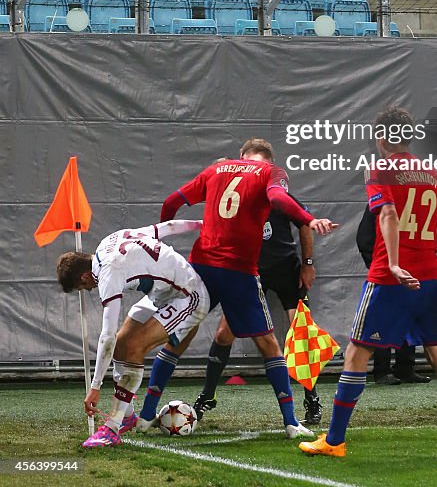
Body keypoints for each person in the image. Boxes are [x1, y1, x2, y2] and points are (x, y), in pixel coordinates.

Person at [300, 104, 437, 460]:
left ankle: (334, 440)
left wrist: (396, 263)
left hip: (390, 279)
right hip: (431, 278)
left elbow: (389, 213)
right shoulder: (431, 172)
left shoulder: (379, 168)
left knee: (356, 353)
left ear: (382, 137)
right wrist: (424, 240)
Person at [146, 138, 336, 439]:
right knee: (263, 342)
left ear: (242, 155)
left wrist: (160, 244)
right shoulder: (270, 174)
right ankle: (286, 420)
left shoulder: (218, 170)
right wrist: (310, 220)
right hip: (240, 270)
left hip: (219, 265)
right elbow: (279, 200)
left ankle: (144, 414)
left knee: (181, 334)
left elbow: (171, 202)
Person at [56, 218, 208, 449]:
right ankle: (127, 416)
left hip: (187, 296)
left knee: (134, 346)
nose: (86, 291)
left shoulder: (107, 273)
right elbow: (166, 228)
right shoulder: (108, 242)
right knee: (121, 345)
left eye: (81, 288)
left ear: (84, 278)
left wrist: (95, 386)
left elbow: (106, 334)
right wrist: (203, 223)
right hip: (164, 293)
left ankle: (112, 428)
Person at [191, 198, 323, 426]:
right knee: (224, 333)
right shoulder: (238, 199)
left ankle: (312, 398)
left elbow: (304, 223)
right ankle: (208, 395)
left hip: (286, 271)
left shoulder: (279, 197)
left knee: (301, 332)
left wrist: (308, 263)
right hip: (251, 271)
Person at [356, 204, 430, 385]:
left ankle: (405, 368)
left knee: (409, 316)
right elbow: (364, 239)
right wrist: (381, 265)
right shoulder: (381, 201)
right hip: (385, 270)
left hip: (408, 266)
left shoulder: (411, 201)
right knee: (384, 319)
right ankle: (382, 371)